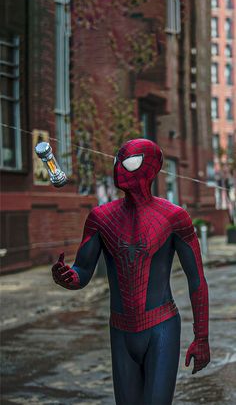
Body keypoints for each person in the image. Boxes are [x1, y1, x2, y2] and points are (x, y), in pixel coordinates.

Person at [52, 138, 210, 405]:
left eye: (129, 162)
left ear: (150, 168)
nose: (119, 169)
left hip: (161, 327)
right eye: (117, 161)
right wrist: (69, 277)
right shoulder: (100, 218)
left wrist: (202, 337)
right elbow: (83, 269)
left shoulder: (174, 217)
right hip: (121, 329)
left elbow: (197, 280)